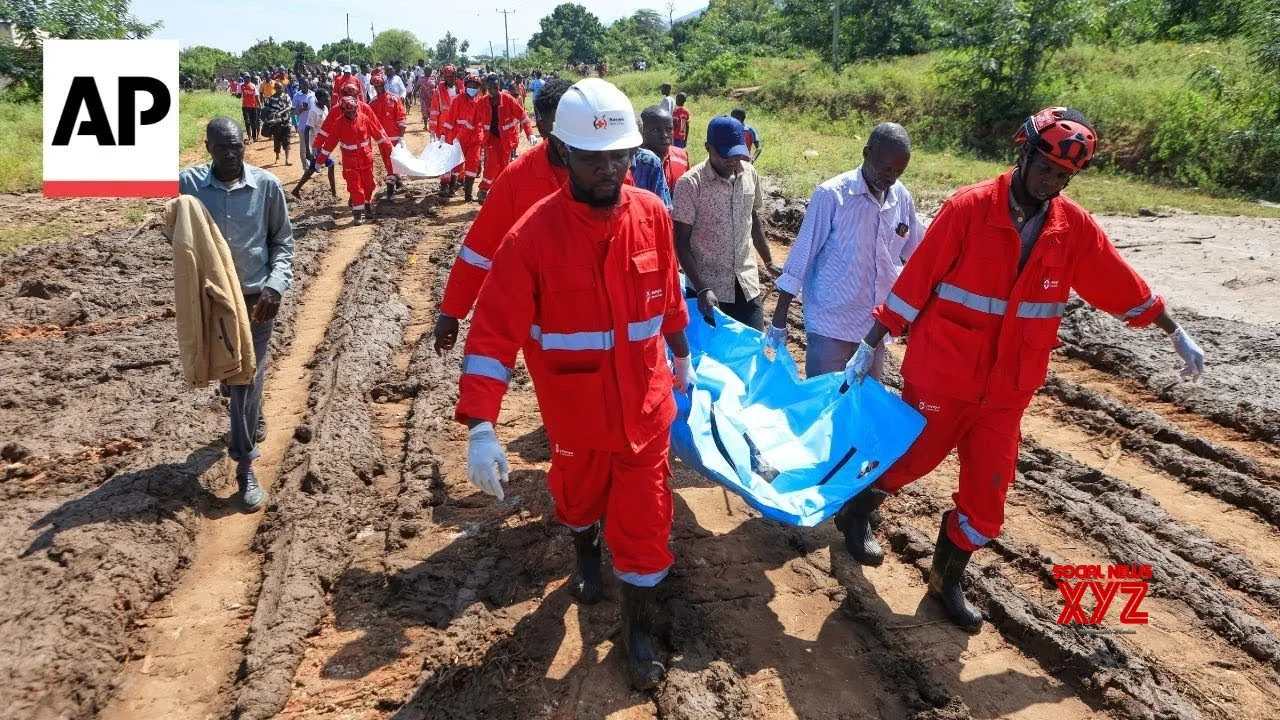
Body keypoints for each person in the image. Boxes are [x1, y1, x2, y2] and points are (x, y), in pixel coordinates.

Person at [835, 107, 1208, 632]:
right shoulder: (969, 208)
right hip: (944, 372)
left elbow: (1117, 280)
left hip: (1008, 388)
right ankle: (856, 510)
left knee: (988, 497)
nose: (1051, 182)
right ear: (1024, 153)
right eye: (1045, 168)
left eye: (1062, 176)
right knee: (910, 461)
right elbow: (916, 280)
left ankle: (946, 580)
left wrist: (1172, 329)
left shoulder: (1071, 228)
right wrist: (868, 343)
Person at [456, 78, 693, 691]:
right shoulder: (532, 236)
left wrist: (684, 359)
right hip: (576, 415)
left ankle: (636, 633)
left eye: (620, 156)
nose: (610, 170)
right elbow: (492, 333)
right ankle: (585, 547)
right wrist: (482, 425)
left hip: (645, 409)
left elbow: (668, 298)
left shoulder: (652, 217)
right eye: (594, 158)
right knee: (577, 500)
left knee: (645, 526)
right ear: (561, 154)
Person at [179, 117, 294, 510]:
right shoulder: (189, 187)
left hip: (257, 300)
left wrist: (275, 286)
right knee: (232, 374)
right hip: (213, 302)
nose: (231, 155)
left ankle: (244, 465)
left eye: (237, 146)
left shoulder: (267, 186)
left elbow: (283, 242)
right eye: (222, 147)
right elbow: (173, 227)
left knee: (246, 375)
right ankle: (249, 408)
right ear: (207, 146)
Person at [767, 123, 923, 379]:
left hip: (873, 330)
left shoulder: (901, 197)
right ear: (866, 153)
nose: (891, 177)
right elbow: (801, 256)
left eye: (899, 171)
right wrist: (780, 316)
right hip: (831, 322)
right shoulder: (832, 195)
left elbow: (916, 255)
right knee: (825, 402)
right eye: (886, 168)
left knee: (862, 406)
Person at [432, 78, 575, 354]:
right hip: (546, 322)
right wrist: (452, 311)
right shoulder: (517, 179)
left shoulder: (609, 174)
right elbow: (479, 248)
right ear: (543, 126)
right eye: (562, 127)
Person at [672, 116, 781, 330]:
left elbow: (754, 219)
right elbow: (681, 243)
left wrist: (768, 262)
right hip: (708, 291)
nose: (732, 161)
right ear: (708, 148)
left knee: (752, 348)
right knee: (714, 358)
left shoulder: (749, 174)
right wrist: (702, 289)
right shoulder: (690, 185)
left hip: (746, 283)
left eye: (737, 154)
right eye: (725, 155)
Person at [312, 93, 391, 225]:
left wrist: (391, 149)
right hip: (350, 161)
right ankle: (357, 214)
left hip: (366, 159)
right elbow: (329, 144)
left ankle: (367, 206)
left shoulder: (364, 118)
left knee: (369, 185)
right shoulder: (339, 124)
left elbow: (377, 134)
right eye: (348, 112)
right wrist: (319, 161)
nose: (352, 114)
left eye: (353, 111)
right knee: (355, 187)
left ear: (356, 108)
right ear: (343, 111)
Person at [474, 72, 536, 204]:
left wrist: (530, 133)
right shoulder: (482, 103)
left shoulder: (508, 100)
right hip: (490, 139)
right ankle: (483, 190)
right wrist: (461, 138)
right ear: (487, 87)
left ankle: (499, 192)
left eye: (495, 88)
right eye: (490, 88)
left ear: (499, 87)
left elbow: (523, 117)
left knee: (503, 167)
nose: (493, 91)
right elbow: (472, 121)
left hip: (506, 140)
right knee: (491, 164)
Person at [442, 73, 485, 203]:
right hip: (459, 138)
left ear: (478, 87)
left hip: (476, 139)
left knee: (473, 165)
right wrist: (444, 134)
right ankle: (451, 188)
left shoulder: (481, 101)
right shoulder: (458, 100)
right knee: (457, 164)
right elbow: (450, 119)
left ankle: (468, 195)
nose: (472, 87)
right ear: (465, 86)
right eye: (470, 85)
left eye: (475, 86)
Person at [369, 68, 408, 199]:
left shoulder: (394, 100)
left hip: (395, 139)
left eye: (380, 86)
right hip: (381, 140)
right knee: (388, 162)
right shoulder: (373, 103)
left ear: (384, 85)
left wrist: (401, 137)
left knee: (391, 164)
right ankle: (399, 181)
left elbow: (402, 119)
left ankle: (390, 192)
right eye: (376, 86)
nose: (378, 88)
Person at [292, 89, 337, 198]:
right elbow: (307, 129)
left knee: (313, 168)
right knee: (330, 164)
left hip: (324, 143)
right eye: (326, 97)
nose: (329, 99)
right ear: (319, 98)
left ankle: (296, 190)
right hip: (317, 145)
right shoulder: (314, 111)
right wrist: (307, 149)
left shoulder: (325, 108)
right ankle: (334, 193)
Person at [431, 64, 466, 196]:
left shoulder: (461, 90)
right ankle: (444, 184)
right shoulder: (438, 92)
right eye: (446, 77)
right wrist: (433, 130)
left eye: (451, 76)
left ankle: (455, 181)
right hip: (444, 129)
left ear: (455, 76)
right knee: (445, 156)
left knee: (458, 155)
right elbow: (434, 111)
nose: (449, 79)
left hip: (458, 129)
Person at [639, 105, 689, 192]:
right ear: (642, 131)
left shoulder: (682, 157)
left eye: (669, 129)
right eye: (655, 130)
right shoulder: (633, 163)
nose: (664, 135)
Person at [260, 82, 294, 166]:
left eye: (282, 88)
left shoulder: (286, 96)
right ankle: (277, 158)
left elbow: (289, 107)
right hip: (276, 124)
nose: (281, 89)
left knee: (287, 140)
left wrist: (280, 112)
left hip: (286, 122)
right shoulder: (271, 98)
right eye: (279, 88)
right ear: (275, 89)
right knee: (277, 140)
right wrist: (268, 116)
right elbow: (266, 109)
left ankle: (287, 159)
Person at [291, 79, 316, 166]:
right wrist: (301, 109)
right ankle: (305, 167)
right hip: (303, 125)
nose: (306, 86)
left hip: (314, 124)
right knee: (304, 148)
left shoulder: (313, 94)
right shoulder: (296, 96)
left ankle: (315, 165)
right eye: (304, 84)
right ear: (300, 85)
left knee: (315, 146)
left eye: (307, 84)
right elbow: (293, 112)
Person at [240, 75, 260, 142]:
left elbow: (256, 96)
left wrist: (259, 104)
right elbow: (239, 94)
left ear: (250, 78)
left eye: (248, 77)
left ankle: (254, 137)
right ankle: (249, 136)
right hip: (245, 106)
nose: (247, 79)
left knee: (253, 122)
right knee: (247, 122)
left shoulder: (253, 85)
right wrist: (236, 94)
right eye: (246, 77)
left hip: (253, 106)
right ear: (244, 78)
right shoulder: (242, 86)